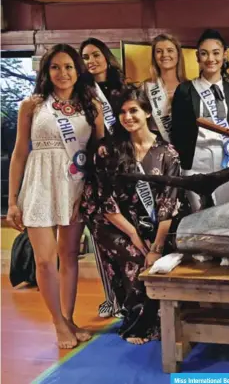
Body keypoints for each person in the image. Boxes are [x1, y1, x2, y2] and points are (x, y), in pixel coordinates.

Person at [6, 43, 105, 348]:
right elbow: (20, 153)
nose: (62, 73)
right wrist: (12, 200)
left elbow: (101, 151)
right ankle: (58, 323)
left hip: (74, 186)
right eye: (55, 67)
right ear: (46, 72)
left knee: (69, 255)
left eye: (69, 67)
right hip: (39, 185)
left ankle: (69, 317)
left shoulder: (92, 105)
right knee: (45, 261)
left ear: (78, 71)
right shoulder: (32, 105)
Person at [82, 86, 191, 345]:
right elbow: (104, 199)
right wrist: (134, 236)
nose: (127, 117)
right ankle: (135, 323)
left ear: (147, 113)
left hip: (155, 226)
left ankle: (162, 318)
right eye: (122, 112)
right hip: (115, 223)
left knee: (159, 260)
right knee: (133, 257)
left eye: (134, 110)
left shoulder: (168, 153)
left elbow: (169, 202)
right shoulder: (109, 151)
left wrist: (157, 245)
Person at [171, 28, 229, 211]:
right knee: (200, 213)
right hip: (196, 160)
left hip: (228, 160)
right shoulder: (185, 90)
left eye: (216, 53)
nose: (210, 59)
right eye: (204, 54)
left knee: (226, 212)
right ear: (197, 57)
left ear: (224, 55)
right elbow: (178, 130)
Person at [80, 37, 127, 318]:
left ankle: (132, 296)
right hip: (97, 170)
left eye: (95, 54)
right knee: (103, 236)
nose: (91, 61)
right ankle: (111, 298)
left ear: (107, 57)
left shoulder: (123, 88)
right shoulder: (82, 93)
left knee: (129, 233)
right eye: (85, 57)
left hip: (125, 167)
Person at [142, 33, 188, 143]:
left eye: (170, 50)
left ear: (178, 54)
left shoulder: (191, 86)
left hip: (186, 146)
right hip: (156, 147)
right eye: (159, 51)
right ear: (154, 57)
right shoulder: (145, 87)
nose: (164, 54)